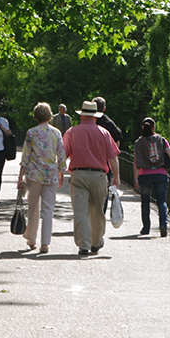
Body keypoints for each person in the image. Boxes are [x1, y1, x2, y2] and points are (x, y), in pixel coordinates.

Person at [63, 100, 120, 256]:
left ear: (81, 116)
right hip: (99, 175)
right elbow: (113, 157)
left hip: (78, 174)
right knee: (97, 211)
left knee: (80, 211)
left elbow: (63, 155)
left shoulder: (71, 132)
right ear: (96, 116)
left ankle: (83, 245)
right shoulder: (104, 133)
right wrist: (116, 177)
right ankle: (96, 242)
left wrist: (60, 174)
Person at [16, 102, 66, 254]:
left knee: (33, 208)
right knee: (48, 210)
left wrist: (20, 176)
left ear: (36, 116)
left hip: (34, 175)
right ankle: (45, 243)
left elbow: (26, 156)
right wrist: (61, 173)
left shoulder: (31, 133)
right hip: (51, 175)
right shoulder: (56, 133)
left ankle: (32, 239)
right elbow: (61, 154)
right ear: (50, 116)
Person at [132, 117, 170, 238]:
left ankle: (146, 228)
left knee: (145, 202)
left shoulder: (138, 143)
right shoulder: (161, 140)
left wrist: (135, 179)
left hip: (144, 176)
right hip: (160, 174)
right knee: (161, 201)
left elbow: (136, 162)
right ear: (154, 128)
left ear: (142, 128)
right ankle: (163, 225)